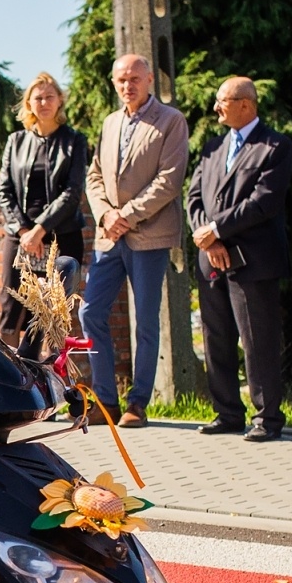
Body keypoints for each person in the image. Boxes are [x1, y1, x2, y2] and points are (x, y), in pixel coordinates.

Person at [76, 54, 189, 427]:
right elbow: (93, 176)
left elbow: (169, 180)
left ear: (150, 80)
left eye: (135, 79)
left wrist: (128, 215)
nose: (128, 86)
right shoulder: (110, 122)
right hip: (109, 237)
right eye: (121, 80)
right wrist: (106, 214)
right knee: (90, 312)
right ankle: (105, 400)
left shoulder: (170, 121)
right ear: (114, 83)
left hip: (149, 236)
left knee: (145, 322)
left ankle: (137, 403)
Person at [186, 76, 292, 442]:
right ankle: (227, 413)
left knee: (257, 340)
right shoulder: (213, 148)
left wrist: (218, 230)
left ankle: (267, 418)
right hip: (212, 259)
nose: (216, 107)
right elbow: (194, 197)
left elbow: (264, 201)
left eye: (223, 101)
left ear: (245, 104)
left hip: (252, 260)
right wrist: (208, 238)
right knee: (216, 340)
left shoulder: (275, 146)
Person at [0, 72, 87, 352]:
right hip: (20, 237)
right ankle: (11, 375)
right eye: (38, 97)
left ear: (60, 101)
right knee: (11, 308)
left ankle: (47, 380)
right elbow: (5, 188)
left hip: (62, 235)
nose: (44, 102)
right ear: (29, 104)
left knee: (52, 312)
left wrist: (39, 230)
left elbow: (72, 192)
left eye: (49, 96)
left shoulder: (74, 141)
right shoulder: (16, 141)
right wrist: (24, 231)